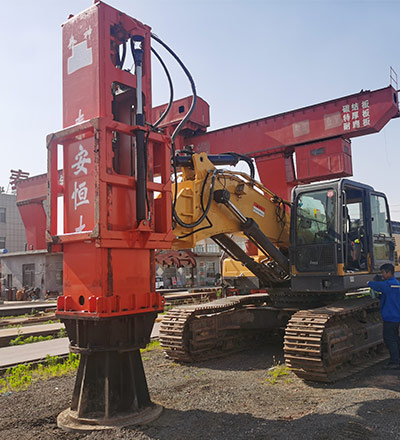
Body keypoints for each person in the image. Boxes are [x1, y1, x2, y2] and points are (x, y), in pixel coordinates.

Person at [368, 263, 400, 369]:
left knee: (389, 339)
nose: (382, 275)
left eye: (383, 273)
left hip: (390, 317)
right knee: (395, 338)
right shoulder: (396, 284)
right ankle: (397, 359)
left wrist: (369, 281)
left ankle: (394, 362)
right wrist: (379, 296)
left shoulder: (389, 284)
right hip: (396, 316)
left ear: (389, 272)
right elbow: (388, 296)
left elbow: (374, 284)